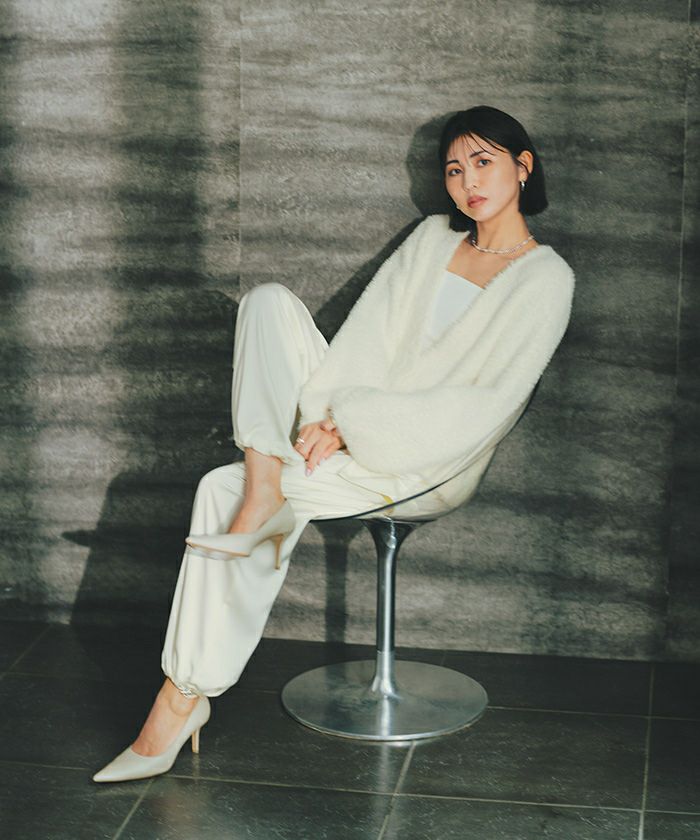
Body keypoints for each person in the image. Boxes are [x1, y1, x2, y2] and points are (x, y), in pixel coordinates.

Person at [92, 105, 575, 783]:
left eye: (483, 162)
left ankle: (178, 703)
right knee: (266, 302)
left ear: (523, 167)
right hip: (348, 422)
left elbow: (485, 405)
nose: (467, 182)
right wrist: (326, 416)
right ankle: (265, 487)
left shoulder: (545, 278)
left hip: (429, 457)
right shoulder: (431, 239)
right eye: (453, 169)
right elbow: (363, 344)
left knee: (218, 488)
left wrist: (352, 425)